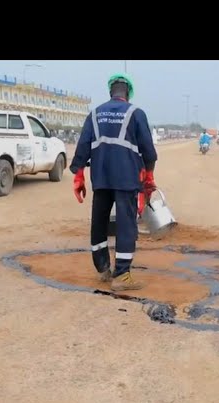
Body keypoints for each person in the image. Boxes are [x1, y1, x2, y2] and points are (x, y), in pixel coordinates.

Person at [69, 73, 158, 291]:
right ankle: (122, 276)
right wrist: (149, 176)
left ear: (111, 92)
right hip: (126, 178)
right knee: (126, 225)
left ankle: (102, 270)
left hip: (100, 177)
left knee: (99, 222)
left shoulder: (95, 114)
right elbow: (149, 152)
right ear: (128, 93)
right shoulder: (136, 113)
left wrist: (79, 176)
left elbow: (82, 148)